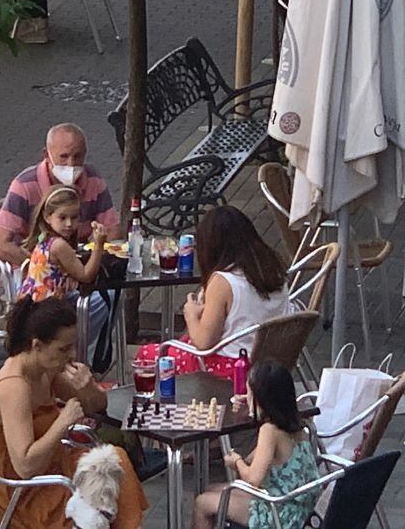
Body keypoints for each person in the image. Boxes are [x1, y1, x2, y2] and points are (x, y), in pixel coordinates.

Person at [0, 297, 148, 529]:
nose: (72, 354)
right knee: (95, 502)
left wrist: (87, 387)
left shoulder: (46, 369)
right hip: (19, 490)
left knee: (117, 461)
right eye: (64, 349)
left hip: (54, 464)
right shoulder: (14, 388)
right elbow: (25, 467)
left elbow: (97, 406)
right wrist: (63, 421)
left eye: (73, 346)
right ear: (37, 346)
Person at [134, 206, 291, 379]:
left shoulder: (223, 281)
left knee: (148, 355)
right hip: (271, 365)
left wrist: (191, 314)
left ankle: (157, 401)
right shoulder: (273, 269)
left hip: (231, 367)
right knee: (183, 342)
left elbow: (204, 343)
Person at [192, 360, 320, 529]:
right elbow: (253, 461)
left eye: (249, 393)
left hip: (279, 513)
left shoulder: (269, 431)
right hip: (298, 508)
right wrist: (251, 410)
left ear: (260, 399)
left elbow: (253, 479)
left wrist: (236, 462)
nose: (246, 396)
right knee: (211, 489)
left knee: (202, 503)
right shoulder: (296, 424)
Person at [0, 123, 121, 269]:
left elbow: (113, 229)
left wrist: (87, 261)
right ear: (47, 155)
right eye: (64, 157)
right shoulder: (24, 186)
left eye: (77, 156)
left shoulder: (94, 180)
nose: (71, 164)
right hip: (33, 273)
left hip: (81, 265)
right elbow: (0, 245)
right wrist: (42, 267)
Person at [18, 185, 108, 301]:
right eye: (62, 218)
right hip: (45, 310)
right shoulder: (58, 245)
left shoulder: (43, 238)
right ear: (47, 217)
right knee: (107, 298)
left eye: (74, 217)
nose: (69, 223)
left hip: (29, 303)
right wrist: (99, 245)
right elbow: (86, 276)